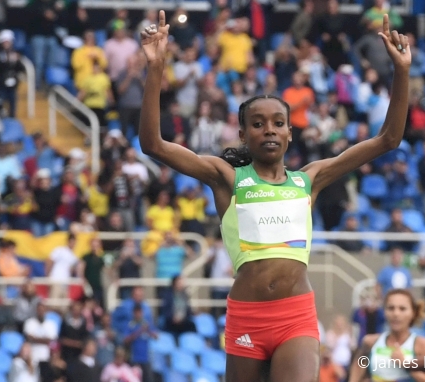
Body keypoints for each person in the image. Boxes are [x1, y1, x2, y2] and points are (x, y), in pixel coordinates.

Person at [138, 11, 410, 381]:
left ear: (289, 133)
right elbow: (153, 144)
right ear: (243, 133)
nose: (269, 129)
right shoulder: (226, 178)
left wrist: (402, 73)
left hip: (295, 314)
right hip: (247, 315)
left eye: (278, 123)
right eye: (258, 123)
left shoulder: (309, 180)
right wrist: (156, 68)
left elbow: (388, 139)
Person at [348, 289, 425, 382]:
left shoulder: (421, 344)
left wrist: (406, 365)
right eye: (391, 308)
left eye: (402, 309)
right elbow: (358, 367)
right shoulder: (370, 342)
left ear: (413, 313)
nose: (396, 314)